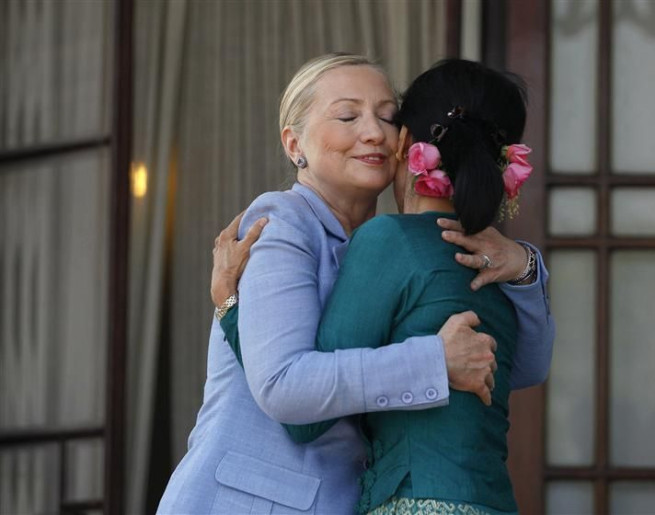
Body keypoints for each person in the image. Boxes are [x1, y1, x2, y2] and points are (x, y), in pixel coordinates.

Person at [158, 54, 554, 514]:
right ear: (294, 144)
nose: (374, 132)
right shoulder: (283, 222)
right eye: (348, 115)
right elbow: (283, 384)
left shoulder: (400, 246)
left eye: (388, 116)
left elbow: (515, 367)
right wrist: (433, 361)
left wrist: (524, 265)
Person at [282, 58, 533, 514]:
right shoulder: (507, 268)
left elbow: (306, 419)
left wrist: (230, 306)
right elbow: (532, 368)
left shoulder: (390, 239)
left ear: (404, 144)